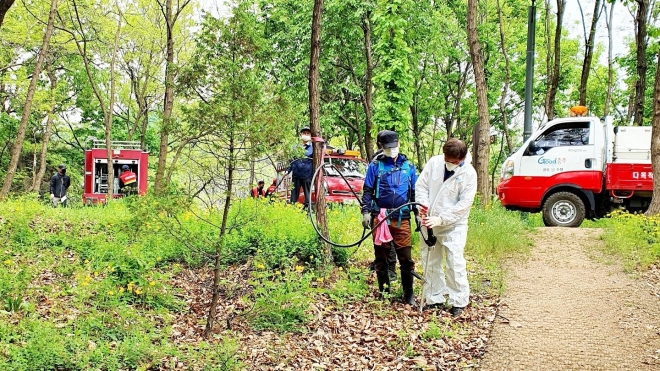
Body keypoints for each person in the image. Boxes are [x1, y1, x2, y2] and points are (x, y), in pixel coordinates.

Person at [415, 138, 477, 317]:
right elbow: (421, 186)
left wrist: (441, 219)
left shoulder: (469, 174)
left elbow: (463, 205)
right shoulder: (434, 163)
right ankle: (434, 298)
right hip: (428, 221)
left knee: (454, 261)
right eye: (447, 160)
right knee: (430, 260)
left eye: (454, 162)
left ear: (463, 158)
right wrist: (423, 206)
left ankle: (458, 300)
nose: (449, 164)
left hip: (453, 225)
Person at [361, 130, 421, 305]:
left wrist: (417, 213)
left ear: (399, 144)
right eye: (388, 148)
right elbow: (367, 191)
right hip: (380, 218)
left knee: (406, 258)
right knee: (381, 258)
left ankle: (408, 295)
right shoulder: (375, 167)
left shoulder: (409, 167)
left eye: (394, 147)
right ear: (381, 147)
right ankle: (384, 292)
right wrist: (365, 212)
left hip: (402, 219)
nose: (392, 150)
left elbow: (414, 193)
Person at [368, 129, 398, 281]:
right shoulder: (376, 160)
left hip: (392, 207)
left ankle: (391, 268)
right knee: (378, 238)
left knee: (389, 238)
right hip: (377, 206)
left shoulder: (398, 160)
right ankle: (380, 263)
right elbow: (370, 185)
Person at [288, 126, 313, 206]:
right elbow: (291, 160)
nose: (306, 135)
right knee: (293, 196)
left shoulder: (313, 148)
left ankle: (308, 212)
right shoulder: (295, 147)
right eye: (304, 133)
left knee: (308, 196)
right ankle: (292, 211)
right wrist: (288, 170)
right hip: (296, 176)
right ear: (300, 135)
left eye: (308, 133)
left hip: (307, 176)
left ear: (310, 135)